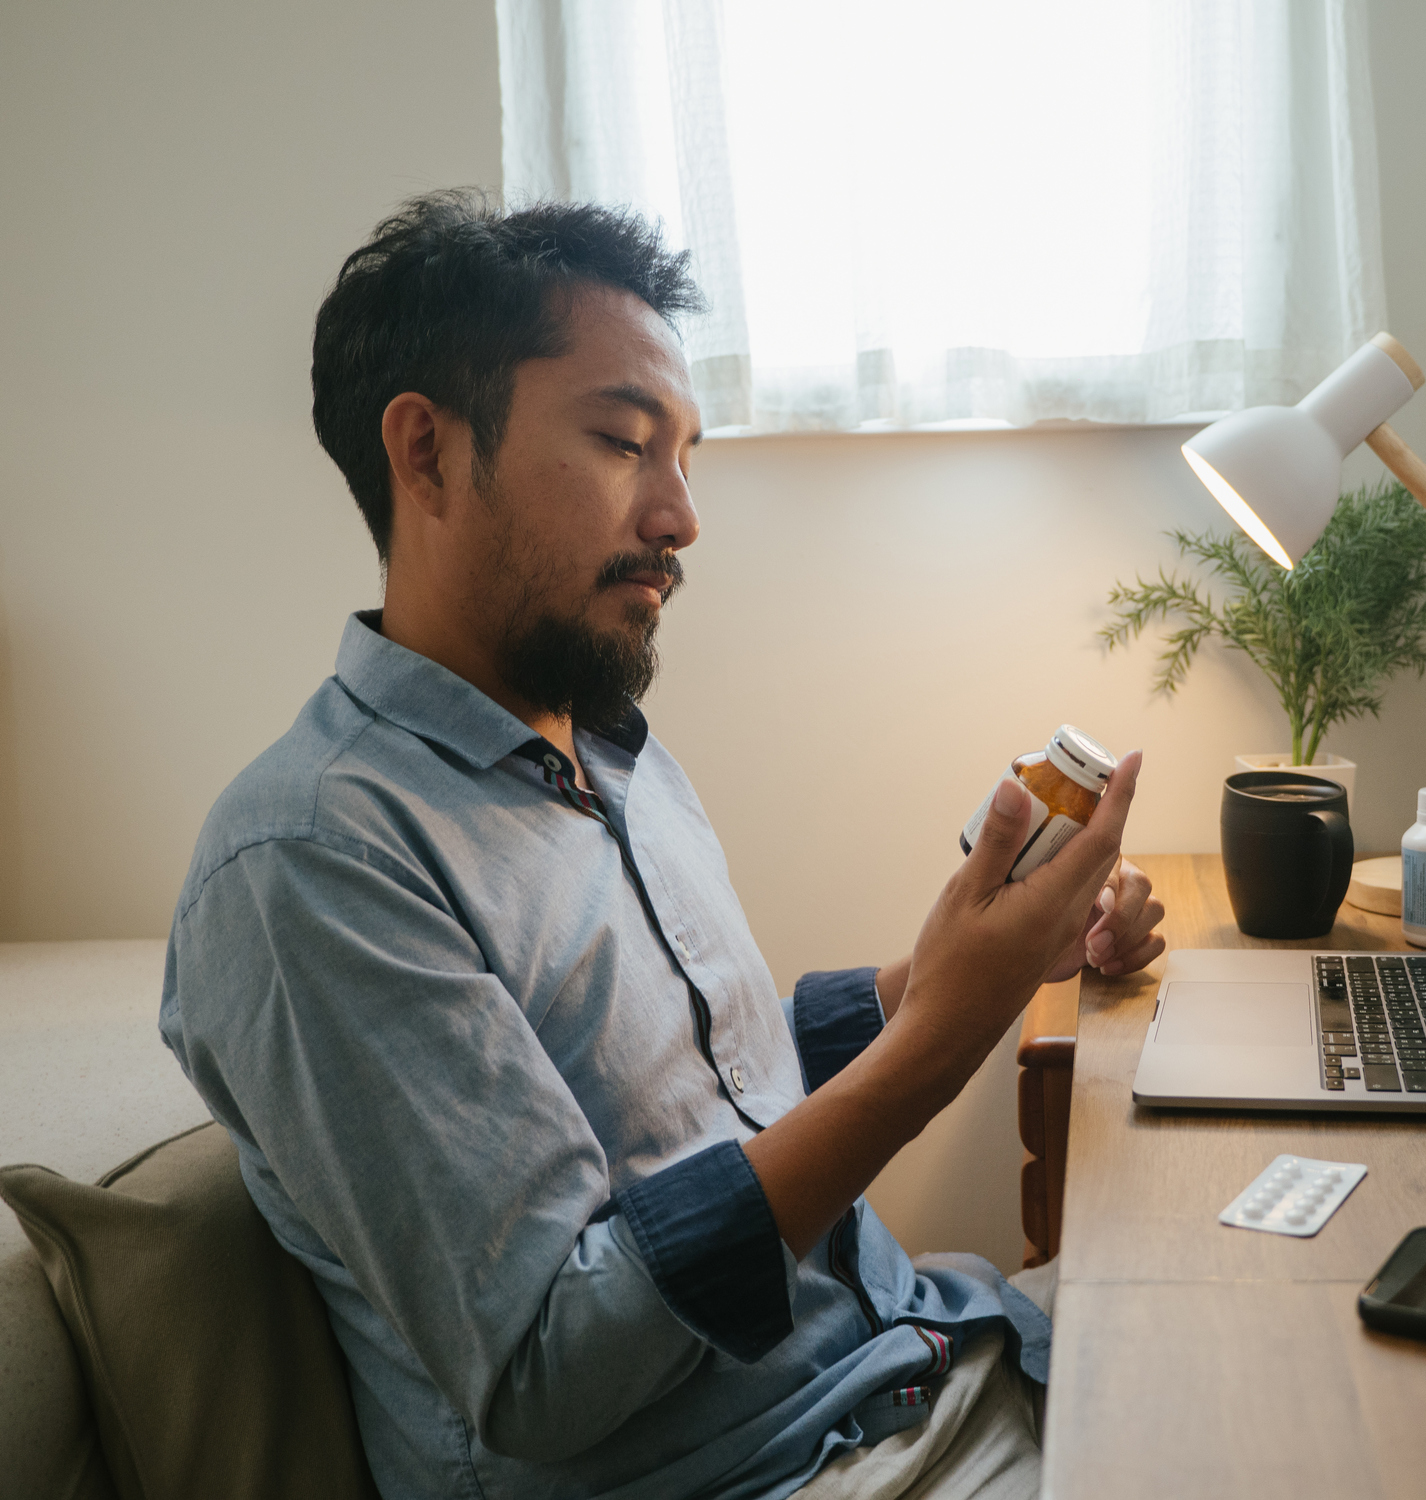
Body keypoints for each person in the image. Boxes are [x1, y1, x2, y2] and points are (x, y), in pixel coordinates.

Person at [160, 191, 1166, 1500]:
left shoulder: (611, 753)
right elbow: (552, 1361)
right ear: (426, 454)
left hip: (929, 1355)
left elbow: (709, 1095)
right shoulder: (313, 860)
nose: (682, 516)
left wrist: (978, 964)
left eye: (688, 457)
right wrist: (939, 1044)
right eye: (627, 443)